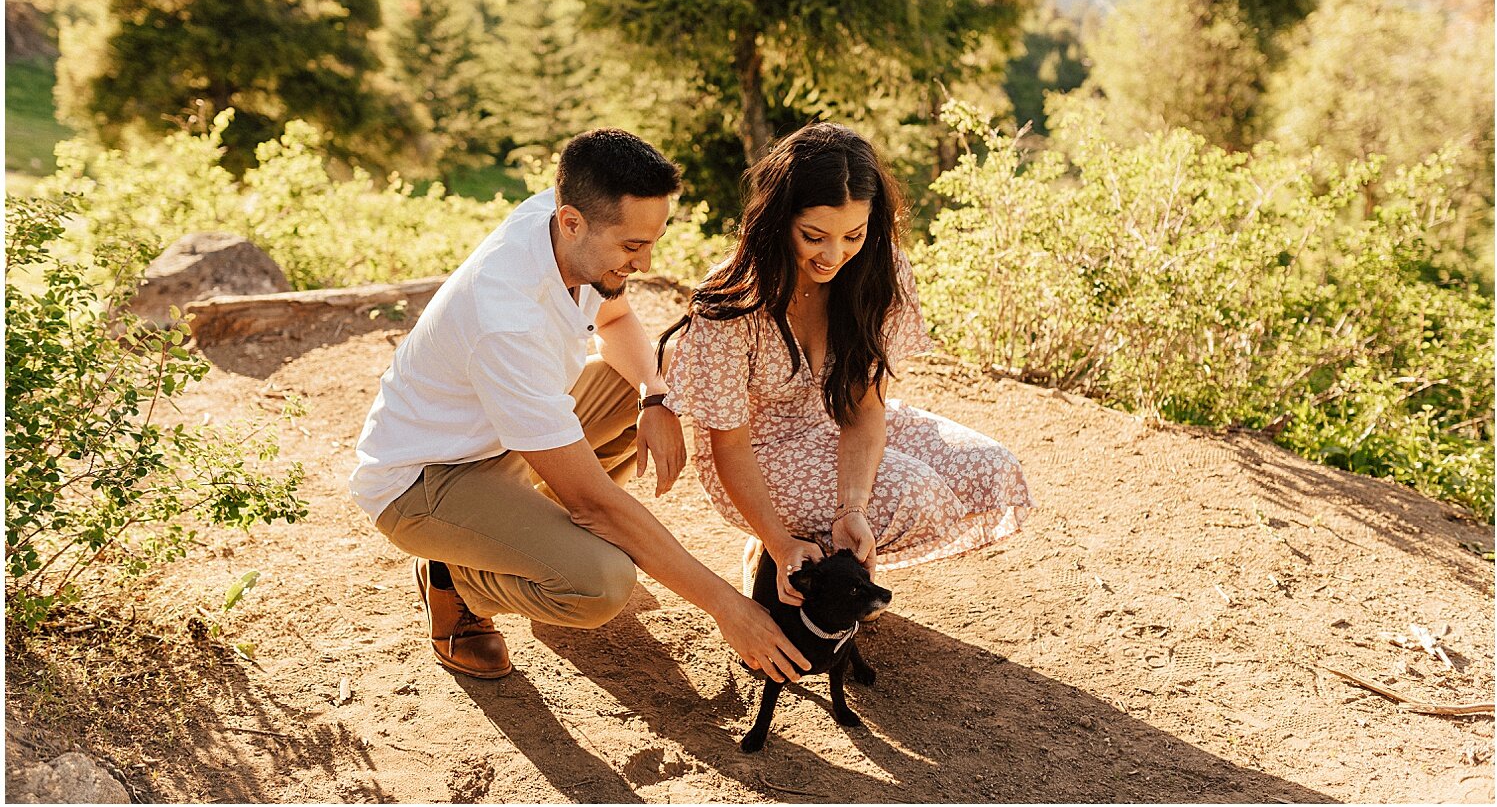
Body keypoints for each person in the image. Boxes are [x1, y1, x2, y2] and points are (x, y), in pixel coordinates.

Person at [350, 128, 810, 684]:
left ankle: (521, 534)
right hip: (424, 481)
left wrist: (655, 396)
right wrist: (728, 608)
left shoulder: (566, 226)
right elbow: (598, 504)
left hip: (498, 439)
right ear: (572, 222)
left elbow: (614, 321)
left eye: (651, 242)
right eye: (632, 247)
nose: (642, 265)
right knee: (600, 584)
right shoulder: (506, 319)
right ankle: (454, 579)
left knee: (644, 381)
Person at [660, 123, 1033, 606]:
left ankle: (830, 554)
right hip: (758, 449)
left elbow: (865, 407)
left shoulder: (880, 270)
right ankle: (781, 550)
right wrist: (778, 537)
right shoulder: (734, 297)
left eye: (853, 235)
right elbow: (729, 444)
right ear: (778, 219)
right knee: (912, 493)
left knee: (992, 468)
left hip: (838, 422)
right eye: (813, 236)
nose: (834, 255)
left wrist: (850, 507)